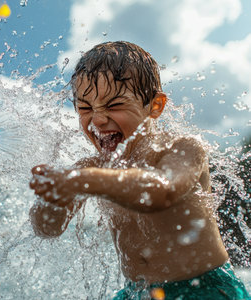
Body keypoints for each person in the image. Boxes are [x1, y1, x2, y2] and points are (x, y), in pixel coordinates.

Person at [29, 41, 250, 299]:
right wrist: (53, 199)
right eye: (86, 108)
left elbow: (162, 191)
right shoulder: (91, 168)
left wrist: (82, 181)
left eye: (113, 105)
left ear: (155, 106)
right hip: (138, 293)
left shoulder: (182, 148)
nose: (98, 120)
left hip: (204, 289)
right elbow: (47, 229)